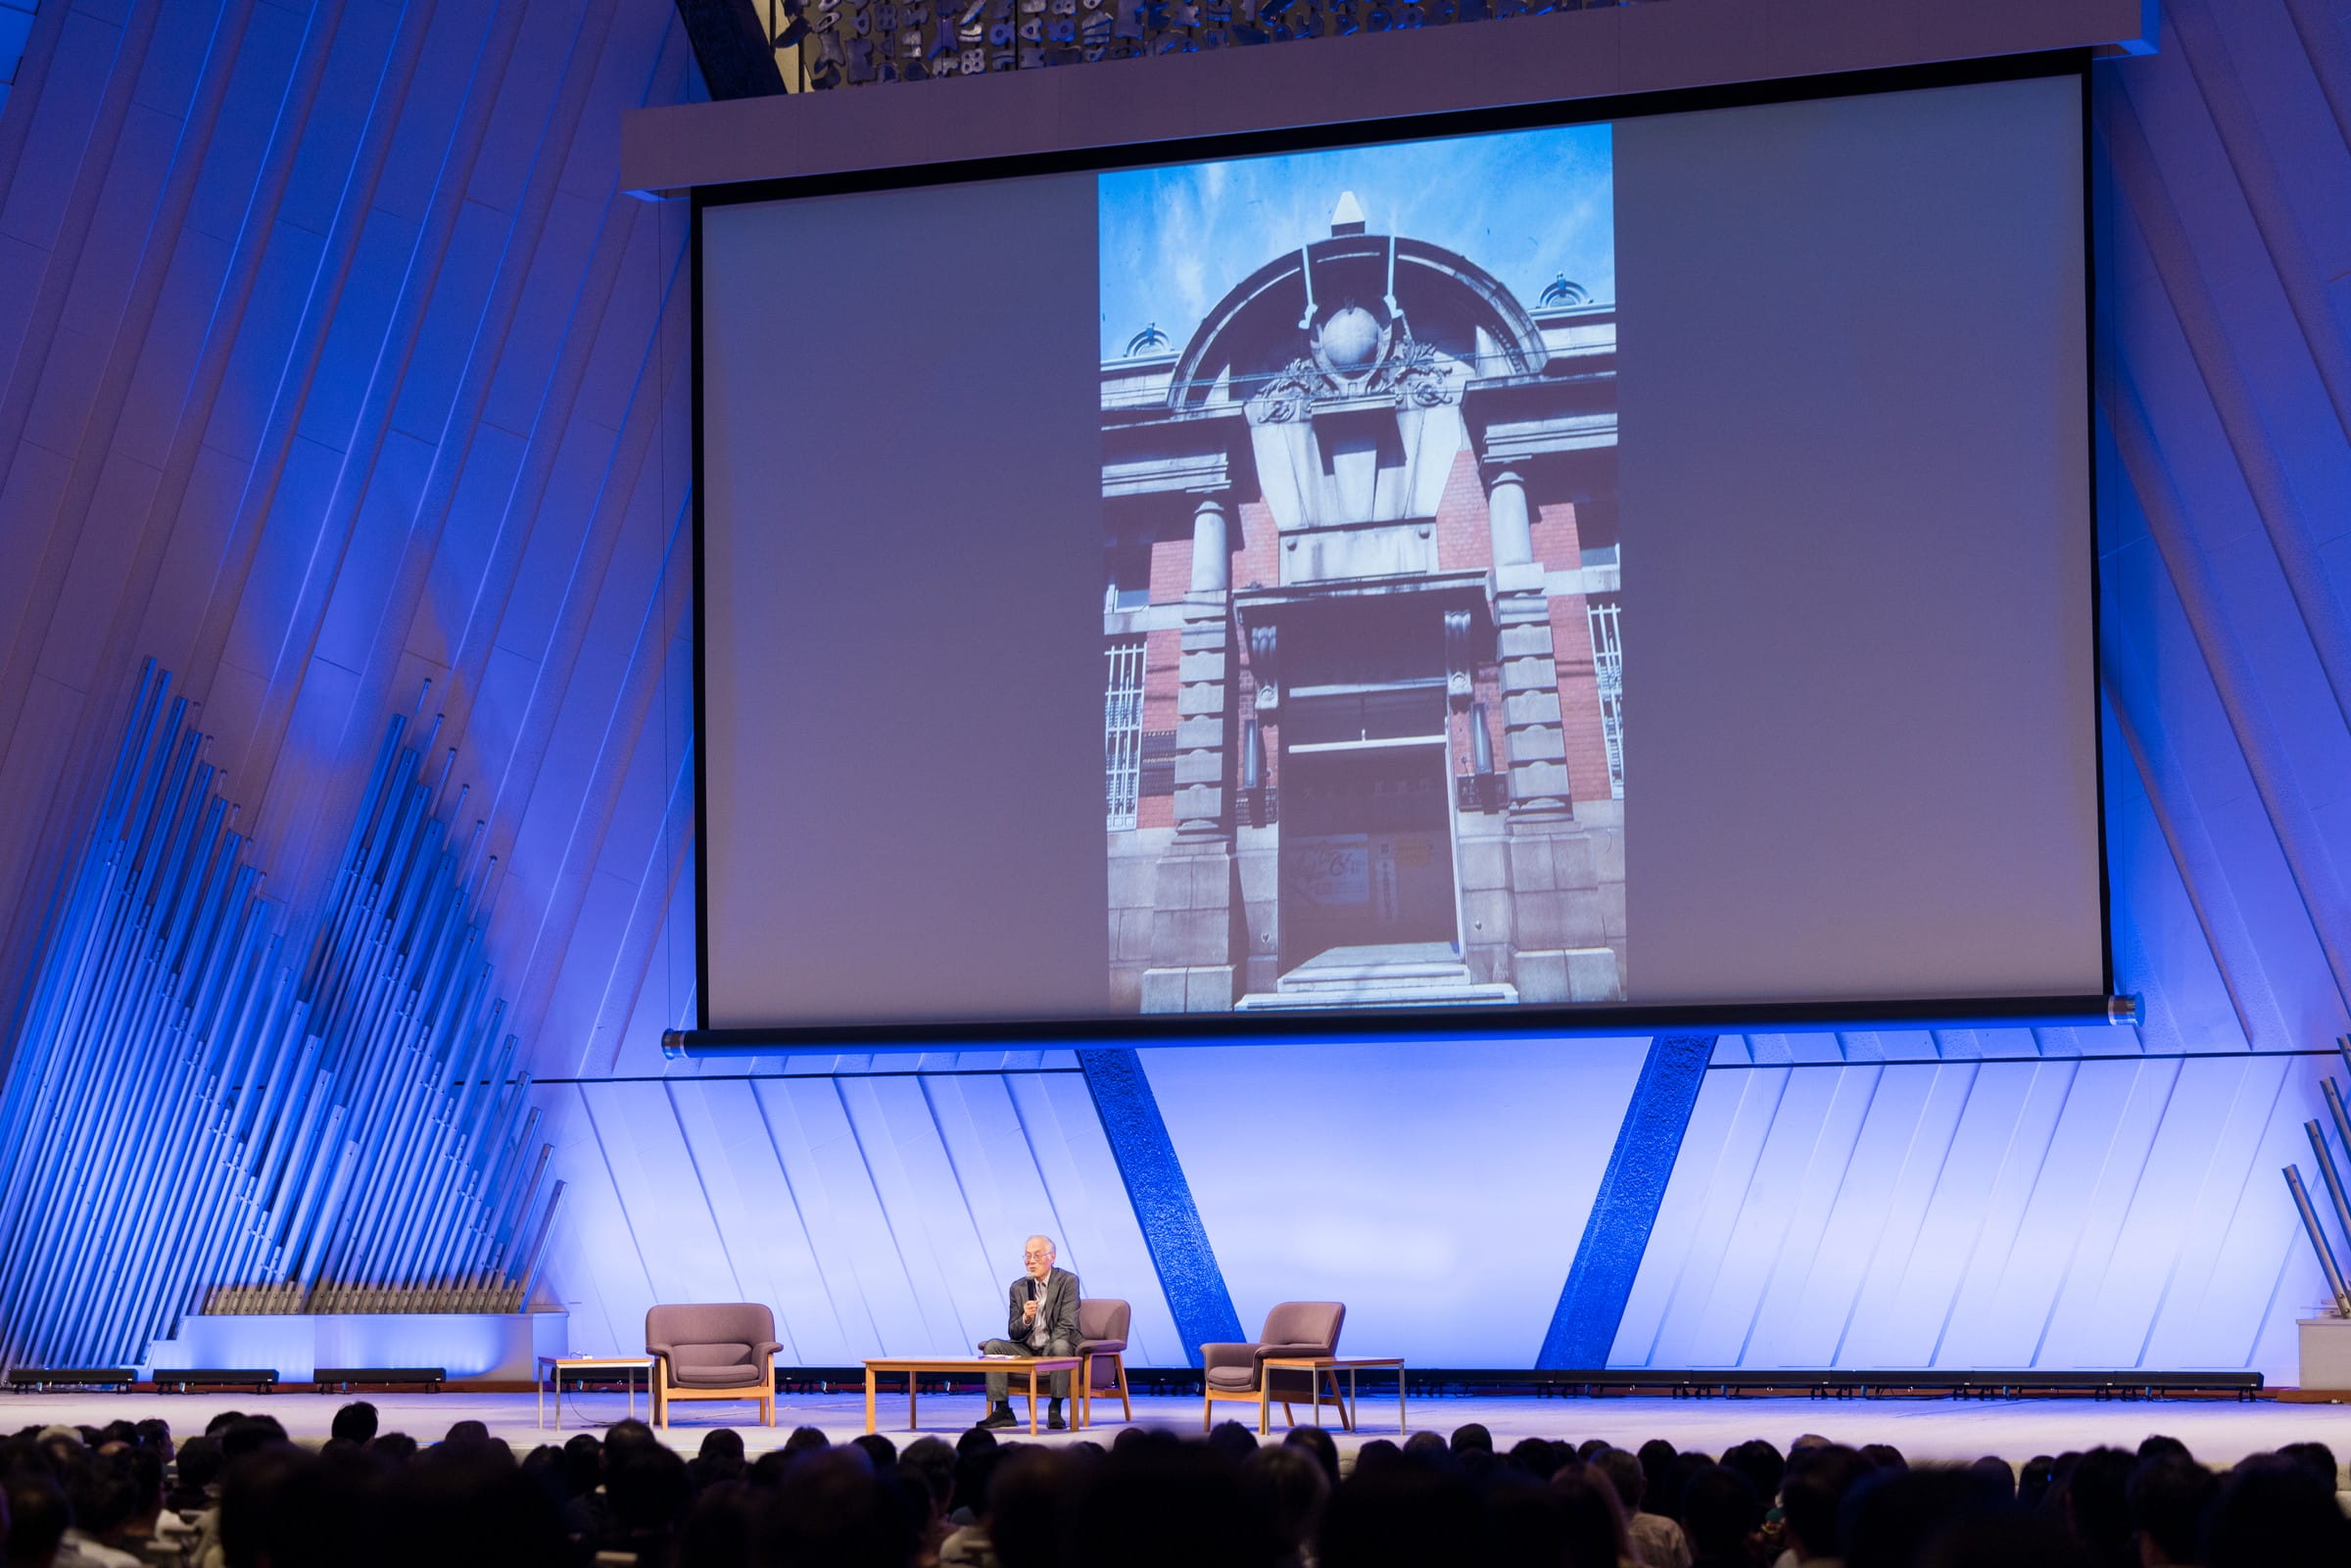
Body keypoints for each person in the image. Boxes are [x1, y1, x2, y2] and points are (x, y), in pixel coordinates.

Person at [976, 1235, 1078, 1431]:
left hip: (1053, 1346)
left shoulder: (1068, 1281)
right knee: (993, 1346)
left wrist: (1046, 1354)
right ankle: (1003, 1410)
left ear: (1052, 1257)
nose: (1031, 1261)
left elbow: (1067, 1324)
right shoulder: (1018, 1287)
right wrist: (1026, 1318)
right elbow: (1013, 1332)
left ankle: (1055, 1408)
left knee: (1061, 1345)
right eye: (1027, 1256)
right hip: (1027, 1348)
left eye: (1037, 1256)